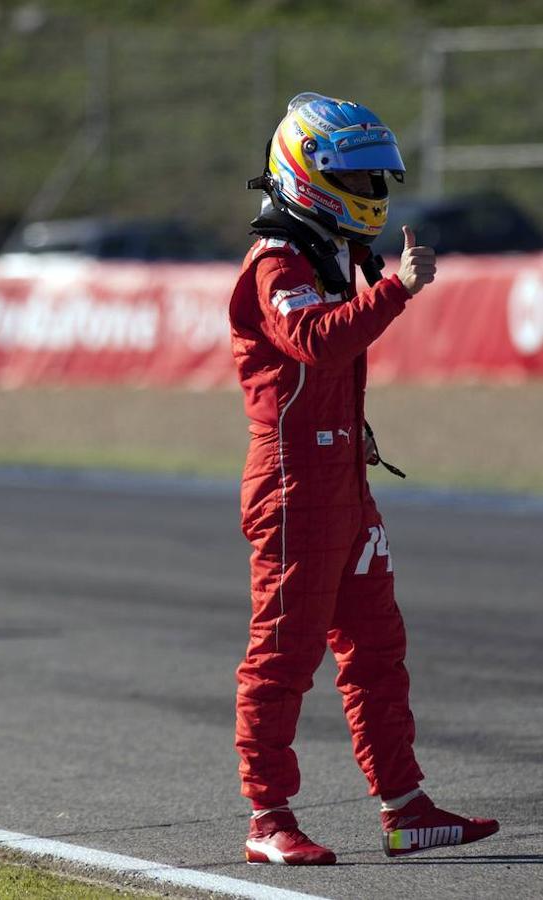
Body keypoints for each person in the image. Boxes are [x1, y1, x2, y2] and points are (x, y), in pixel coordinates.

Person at [227, 93, 499, 865]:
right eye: (356, 175)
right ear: (306, 173)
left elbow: (323, 369)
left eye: (378, 176)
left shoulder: (332, 253)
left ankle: (404, 806)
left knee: (377, 649)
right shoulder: (275, 261)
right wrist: (396, 291)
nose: (372, 192)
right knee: (281, 655)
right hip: (290, 489)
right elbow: (314, 341)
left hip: (340, 480)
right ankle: (267, 819)